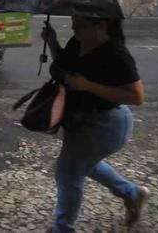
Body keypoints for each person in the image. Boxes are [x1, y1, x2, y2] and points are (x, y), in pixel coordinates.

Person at [41, 16, 149, 232]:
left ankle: (62, 229)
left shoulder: (116, 54)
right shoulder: (77, 42)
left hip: (105, 125)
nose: (74, 27)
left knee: (68, 172)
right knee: (84, 164)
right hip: (79, 120)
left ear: (101, 26)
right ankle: (133, 193)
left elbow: (136, 97)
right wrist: (52, 41)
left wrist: (87, 85)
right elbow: (64, 65)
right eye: (73, 21)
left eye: (80, 24)